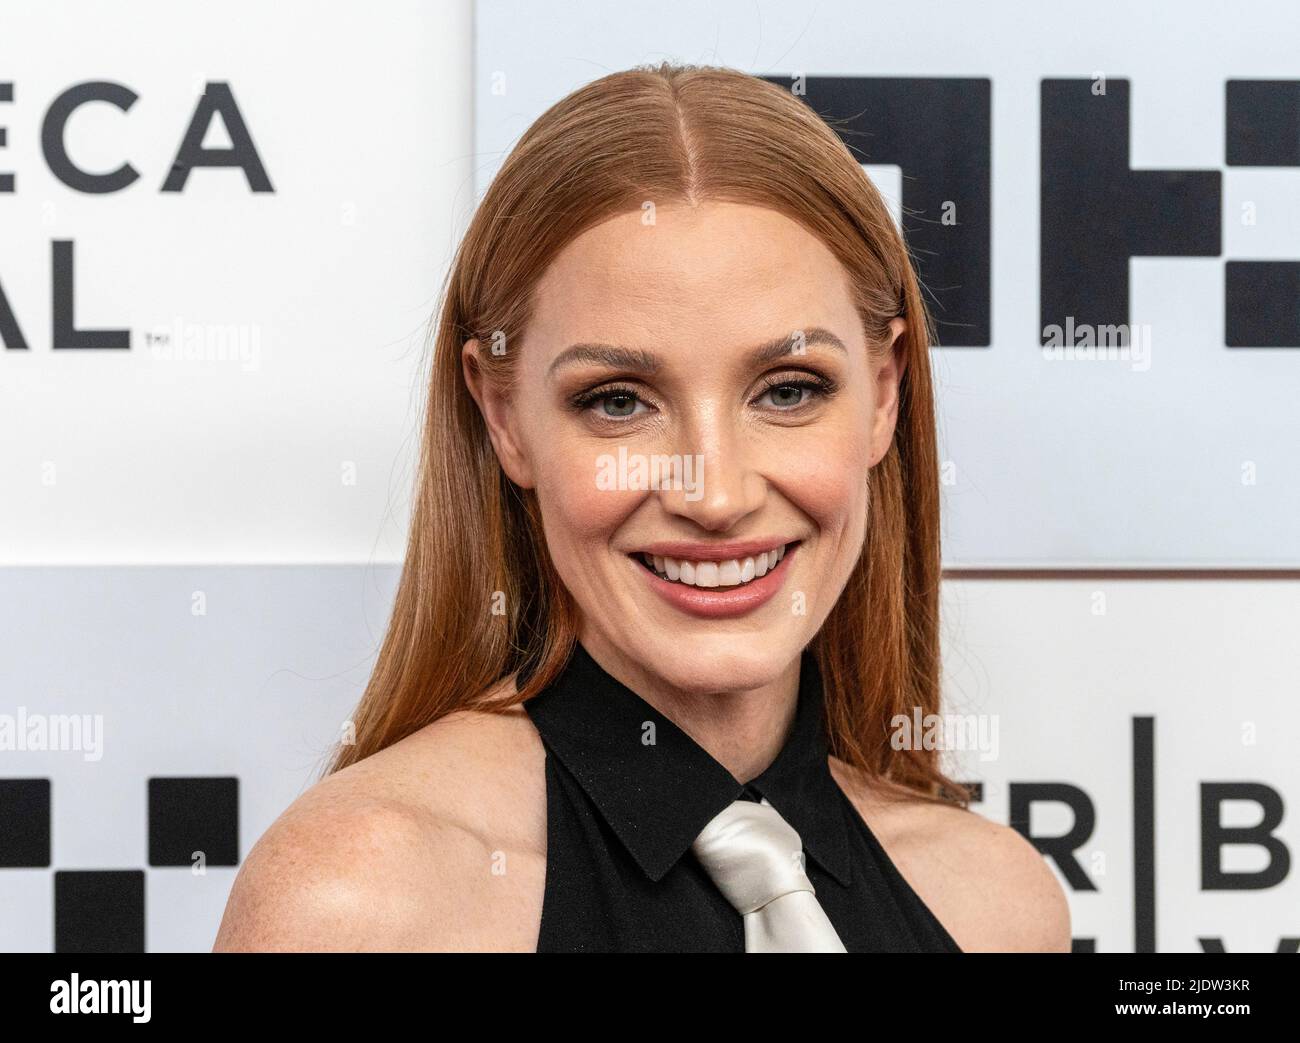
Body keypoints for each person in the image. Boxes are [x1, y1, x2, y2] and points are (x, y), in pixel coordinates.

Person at [213, 62, 1071, 952]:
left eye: (787, 390)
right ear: (502, 416)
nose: (716, 495)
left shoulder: (992, 906)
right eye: (618, 400)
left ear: (885, 394)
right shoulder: (364, 903)